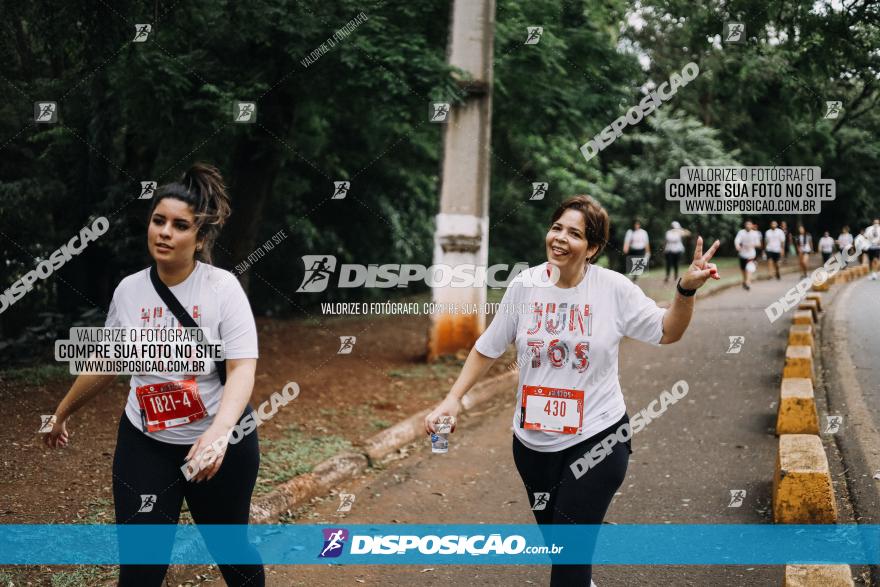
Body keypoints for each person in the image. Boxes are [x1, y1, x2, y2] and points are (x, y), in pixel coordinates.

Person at [425, 195, 720, 587]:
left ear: (593, 247)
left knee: (567, 566)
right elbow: (488, 347)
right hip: (531, 446)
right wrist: (453, 398)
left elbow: (668, 330)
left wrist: (684, 290)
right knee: (562, 554)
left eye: (575, 233)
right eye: (557, 228)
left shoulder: (613, 289)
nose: (560, 239)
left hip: (597, 439)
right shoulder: (525, 286)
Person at [43, 163, 265, 587]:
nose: (164, 232)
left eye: (180, 225)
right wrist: (62, 411)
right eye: (158, 220)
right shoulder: (129, 290)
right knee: (140, 570)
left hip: (220, 448)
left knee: (232, 553)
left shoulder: (222, 289)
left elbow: (241, 369)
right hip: (145, 445)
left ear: (199, 239)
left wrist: (218, 435)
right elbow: (107, 362)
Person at [734, 220, 761, 290]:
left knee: (749, 268)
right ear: (745, 225)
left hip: (751, 254)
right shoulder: (741, 232)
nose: (748, 226)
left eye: (749, 224)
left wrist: (752, 245)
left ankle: (748, 283)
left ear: (752, 226)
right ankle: (744, 281)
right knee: (743, 270)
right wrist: (737, 246)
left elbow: (758, 244)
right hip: (742, 254)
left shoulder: (755, 233)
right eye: (747, 224)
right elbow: (737, 240)